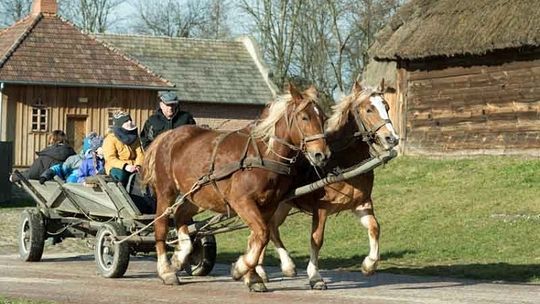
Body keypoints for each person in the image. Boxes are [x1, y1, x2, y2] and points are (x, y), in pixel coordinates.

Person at [10, 130, 75, 182]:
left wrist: (15, 176)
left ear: (52, 142)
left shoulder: (45, 157)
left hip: (48, 189)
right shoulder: (74, 156)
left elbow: (32, 173)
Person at [103, 111, 144, 185]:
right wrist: (125, 166)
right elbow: (110, 158)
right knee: (121, 175)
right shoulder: (110, 139)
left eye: (130, 120)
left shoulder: (135, 137)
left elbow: (140, 154)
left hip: (134, 166)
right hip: (116, 166)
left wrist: (138, 165)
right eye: (126, 121)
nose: (129, 122)